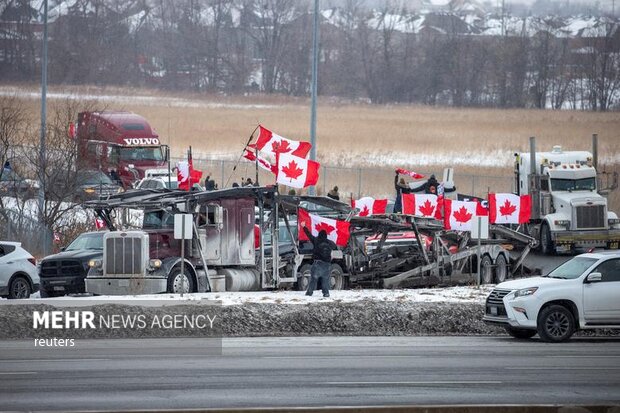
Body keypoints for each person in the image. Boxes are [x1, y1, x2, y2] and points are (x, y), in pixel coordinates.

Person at [301, 221, 336, 298]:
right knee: (325, 280)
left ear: (319, 235)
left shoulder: (316, 240)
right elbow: (335, 246)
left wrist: (304, 227)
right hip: (327, 264)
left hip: (317, 263)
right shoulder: (330, 243)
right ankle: (326, 293)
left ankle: (309, 293)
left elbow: (309, 235)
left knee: (313, 279)